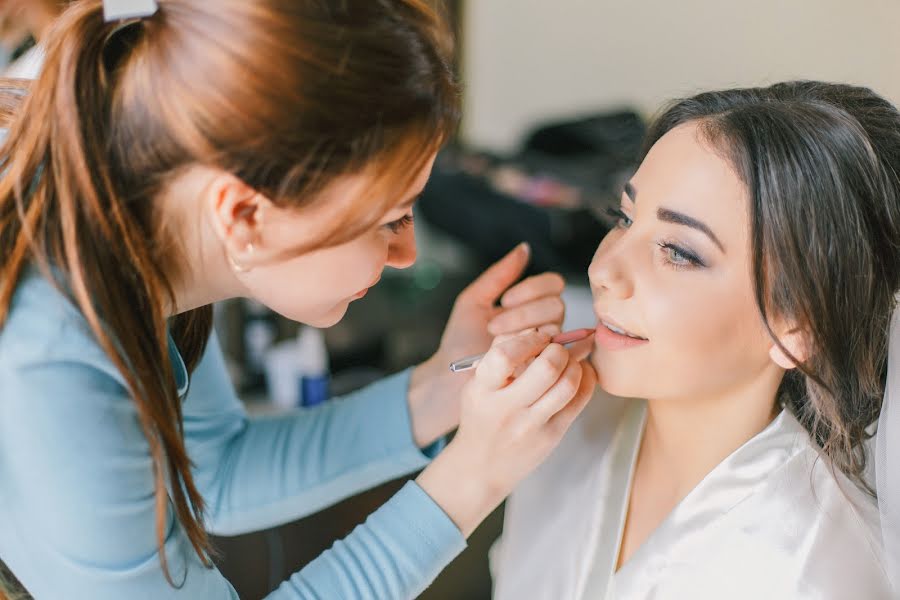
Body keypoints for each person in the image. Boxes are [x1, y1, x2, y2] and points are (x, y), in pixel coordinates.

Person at [0, 1, 596, 598]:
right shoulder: (51, 357)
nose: (408, 254)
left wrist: (442, 388)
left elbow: (212, 474)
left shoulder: (146, 209)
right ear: (245, 215)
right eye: (390, 219)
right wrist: (475, 475)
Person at [490, 81, 899, 599]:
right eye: (623, 218)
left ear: (798, 328)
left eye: (679, 252)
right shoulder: (560, 429)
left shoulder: (812, 572)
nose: (604, 269)